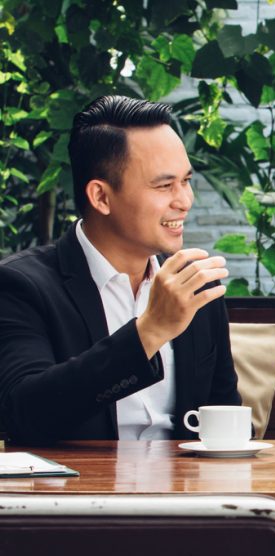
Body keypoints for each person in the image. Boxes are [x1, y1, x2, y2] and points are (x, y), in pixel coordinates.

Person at [0, 95, 239, 445]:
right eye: (164, 185)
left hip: (190, 497)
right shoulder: (21, 285)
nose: (185, 201)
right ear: (101, 197)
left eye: (186, 181)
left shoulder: (195, 288)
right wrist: (150, 330)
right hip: (81, 496)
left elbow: (226, 418)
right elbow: (26, 415)